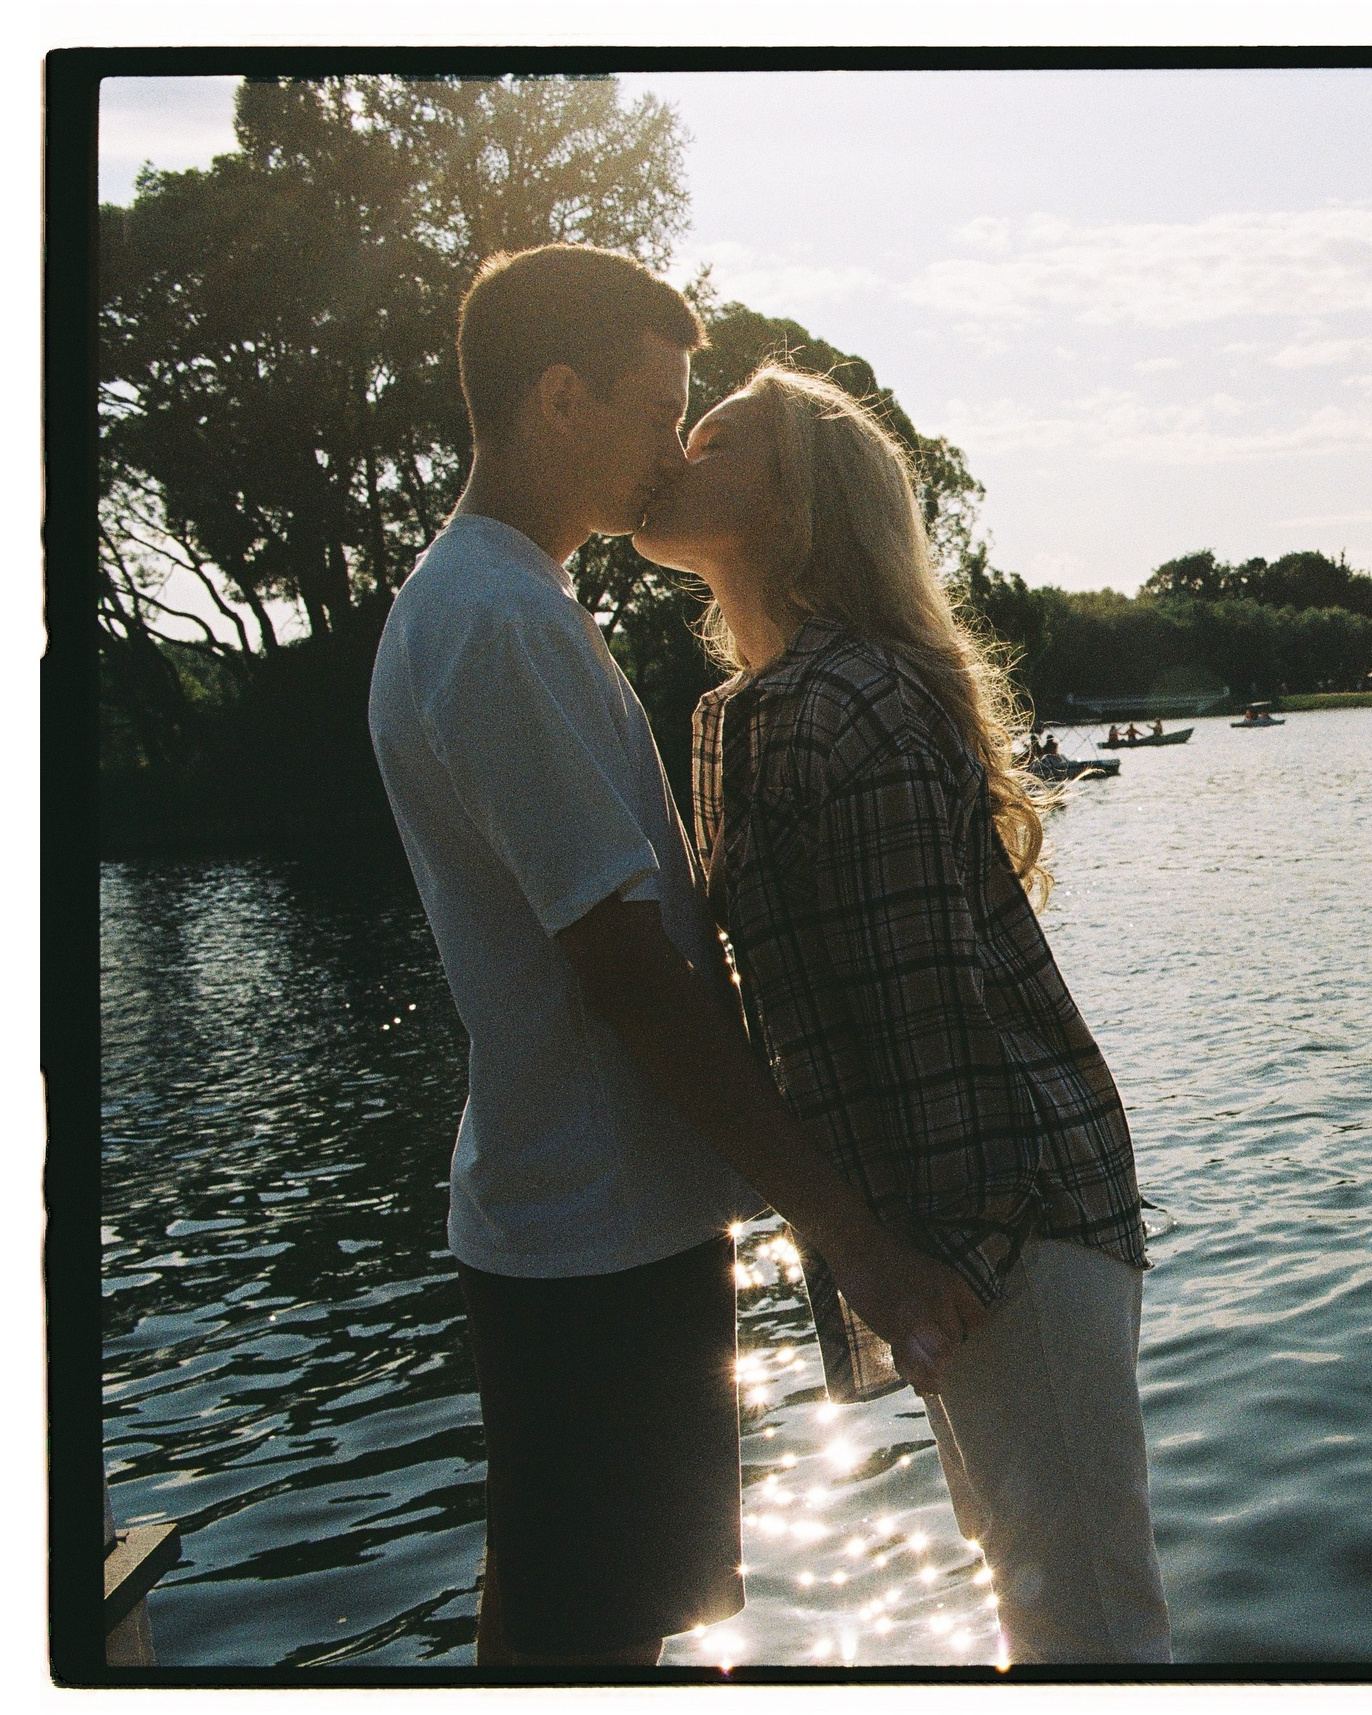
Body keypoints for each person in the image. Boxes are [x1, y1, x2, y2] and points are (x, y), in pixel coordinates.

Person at [366, 247, 983, 1670]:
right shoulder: (500, 622)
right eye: (656, 407)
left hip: (586, 1217)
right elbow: (627, 972)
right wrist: (857, 1239)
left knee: (569, 1599)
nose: (671, 447)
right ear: (561, 398)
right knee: (595, 1635)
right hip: (594, 1236)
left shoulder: (493, 601)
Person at [634, 364, 1174, 1664]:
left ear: (793, 506)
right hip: (965, 1233)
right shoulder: (749, 714)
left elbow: (934, 1030)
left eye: (716, 438)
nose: (676, 446)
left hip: (1006, 1226)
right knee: (1043, 1604)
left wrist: (929, 1279)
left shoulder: (841, 705)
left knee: (1084, 1626)